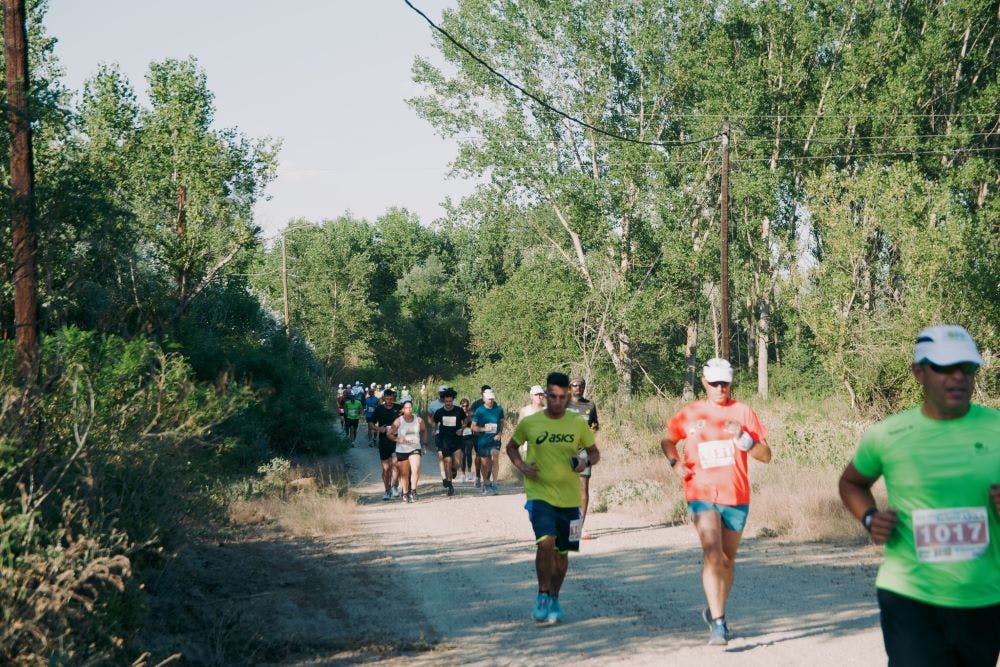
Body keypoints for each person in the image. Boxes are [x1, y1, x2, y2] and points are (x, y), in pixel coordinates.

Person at [838, 325, 1000, 666]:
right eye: (944, 367)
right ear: (919, 372)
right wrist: (869, 518)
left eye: (967, 368)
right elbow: (851, 482)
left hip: (983, 597)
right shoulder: (888, 435)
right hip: (910, 594)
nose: (958, 377)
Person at [659, 358, 771, 646]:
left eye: (725, 382)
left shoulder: (743, 412)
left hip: (736, 496)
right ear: (704, 383)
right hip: (700, 492)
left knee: (727, 560)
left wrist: (745, 440)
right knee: (712, 551)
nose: (720, 388)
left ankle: (714, 608)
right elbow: (667, 439)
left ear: (731, 382)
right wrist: (675, 463)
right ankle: (720, 624)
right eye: (714, 383)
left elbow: (766, 455)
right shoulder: (691, 412)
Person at [506, 372, 599, 624]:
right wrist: (522, 467)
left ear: (568, 397)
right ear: (546, 396)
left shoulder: (577, 423)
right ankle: (542, 594)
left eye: (561, 397)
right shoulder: (532, 423)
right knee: (546, 543)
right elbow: (511, 446)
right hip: (540, 494)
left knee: (562, 554)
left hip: (569, 499)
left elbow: (594, 453)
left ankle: (555, 597)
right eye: (552, 396)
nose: (557, 402)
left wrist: (584, 462)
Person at [566, 377, 599, 539]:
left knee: (583, 486)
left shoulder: (590, 405)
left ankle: (579, 527)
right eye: (575, 385)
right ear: (570, 387)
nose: (578, 388)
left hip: (583, 451)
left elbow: (594, 425)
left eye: (581, 385)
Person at [389, 399, 427, 503]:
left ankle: (414, 491)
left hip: (415, 448)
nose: (409, 410)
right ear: (403, 409)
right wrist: (397, 439)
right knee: (404, 474)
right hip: (402, 450)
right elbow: (389, 434)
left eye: (410, 407)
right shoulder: (398, 421)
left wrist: (424, 445)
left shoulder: (419, 420)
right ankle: (405, 493)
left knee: (416, 468)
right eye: (406, 408)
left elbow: (424, 431)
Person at [368, 388, 402, 501]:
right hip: (384, 441)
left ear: (393, 397)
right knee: (386, 468)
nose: (389, 399)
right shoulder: (379, 409)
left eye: (391, 397)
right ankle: (387, 490)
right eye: (387, 397)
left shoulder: (398, 408)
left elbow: (406, 419)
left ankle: (395, 487)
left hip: (396, 440)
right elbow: (371, 422)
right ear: (384, 398)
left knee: (397, 465)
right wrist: (378, 429)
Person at [433, 389, 467, 496]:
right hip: (444, 440)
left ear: (453, 400)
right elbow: (435, 422)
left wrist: (462, 429)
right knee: (447, 461)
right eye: (446, 401)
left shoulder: (458, 410)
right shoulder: (439, 412)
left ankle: (453, 470)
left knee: (457, 463)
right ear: (444, 401)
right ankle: (450, 485)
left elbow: (465, 420)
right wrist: (435, 431)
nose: (448, 403)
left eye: (450, 401)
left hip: (456, 439)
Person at [471, 388, 504, 495]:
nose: (491, 401)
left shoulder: (499, 409)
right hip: (483, 441)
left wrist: (499, 433)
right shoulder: (479, 411)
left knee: (495, 458)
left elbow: (502, 422)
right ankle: (485, 483)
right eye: (489, 399)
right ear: (484, 399)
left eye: (492, 399)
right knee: (485, 463)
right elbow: (473, 427)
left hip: (495, 440)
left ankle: (494, 485)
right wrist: (483, 429)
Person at [425, 386, 449, 485]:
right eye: (441, 393)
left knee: (451, 456)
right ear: (439, 394)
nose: (443, 395)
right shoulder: (433, 405)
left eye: (445, 393)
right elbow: (429, 416)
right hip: (439, 433)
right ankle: (444, 477)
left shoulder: (453, 403)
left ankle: (452, 470)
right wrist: (432, 425)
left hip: (452, 433)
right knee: (441, 455)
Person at [458, 397, 476, 483]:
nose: (465, 407)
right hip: (461, 437)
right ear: (460, 406)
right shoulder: (457, 414)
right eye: (463, 406)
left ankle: (469, 472)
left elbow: (474, 424)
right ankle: (462, 474)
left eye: (466, 406)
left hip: (469, 436)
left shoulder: (471, 414)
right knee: (463, 455)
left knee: (468, 453)